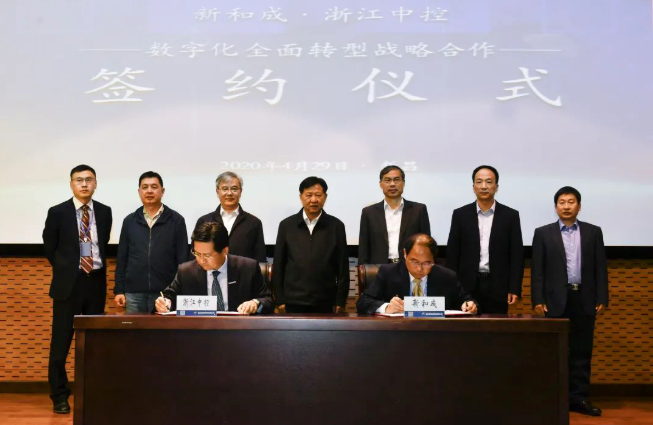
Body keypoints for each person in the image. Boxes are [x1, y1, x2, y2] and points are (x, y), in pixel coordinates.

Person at [531, 186, 608, 416]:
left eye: (571, 202)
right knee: (553, 351)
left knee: (581, 352)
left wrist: (602, 296)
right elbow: (537, 270)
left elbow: (600, 267)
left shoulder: (593, 232)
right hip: (554, 300)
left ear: (579, 206)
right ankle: (553, 398)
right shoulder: (543, 233)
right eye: (562, 202)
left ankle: (579, 398)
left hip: (584, 298)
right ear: (555, 207)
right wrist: (538, 299)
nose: (566, 206)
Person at [42, 164, 112, 414]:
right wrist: (67, 270)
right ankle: (59, 395)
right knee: (60, 344)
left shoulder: (104, 211)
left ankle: (92, 391)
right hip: (68, 286)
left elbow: (102, 243)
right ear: (71, 184)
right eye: (79, 180)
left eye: (88, 180)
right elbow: (49, 247)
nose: (84, 184)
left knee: (94, 343)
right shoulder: (57, 212)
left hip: (95, 282)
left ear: (95, 183)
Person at [446, 165, 524, 313]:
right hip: (466, 285)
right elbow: (453, 253)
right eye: (479, 182)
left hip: (498, 285)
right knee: (466, 324)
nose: (483, 186)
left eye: (489, 182)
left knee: (496, 325)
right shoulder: (460, 214)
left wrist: (514, 288)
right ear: (473, 187)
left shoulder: (510, 216)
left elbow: (516, 256)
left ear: (496, 187)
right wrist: (452, 286)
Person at [155, 221, 274, 314]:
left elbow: (267, 300)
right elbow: (168, 297)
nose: (201, 260)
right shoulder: (186, 271)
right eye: (197, 253)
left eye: (207, 255)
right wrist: (164, 303)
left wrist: (255, 303)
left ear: (224, 251)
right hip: (200, 331)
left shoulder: (247, 268)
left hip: (238, 331)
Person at [114, 171, 189, 313]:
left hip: (165, 292)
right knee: (135, 328)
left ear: (162, 191)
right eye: (145, 187)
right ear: (139, 192)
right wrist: (119, 290)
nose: (149, 191)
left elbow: (182, 259)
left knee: (164, 328)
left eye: (154, 187)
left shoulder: (176, 220)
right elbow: (122, 258)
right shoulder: (129, 221)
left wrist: (178, 290)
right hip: (134, 293)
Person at [272, 177, 349, 313]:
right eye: (309, 195)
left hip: (326, 301)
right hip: (292, 300)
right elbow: (278, 265)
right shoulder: (286, 225)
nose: (314, 200)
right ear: (301, 197)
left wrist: (340, 301)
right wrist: (279, 299)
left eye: (318, 195)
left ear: (325, 197)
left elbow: (342, 267)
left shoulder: (336, 226)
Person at [357, 234, 478, 315]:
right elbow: (363, 302)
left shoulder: (447, 277)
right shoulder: (388, 273)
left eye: (426, 263)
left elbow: (467, 301)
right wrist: (387, 307)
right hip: (398, 333)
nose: (419, 268)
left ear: (434, 259)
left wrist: (469, 305)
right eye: (414, 262)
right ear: (405, 254)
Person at [358, 165, 431, 264]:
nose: (392, 184)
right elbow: (364, 247)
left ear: (403, 183)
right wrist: (363, 269)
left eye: (396, 180)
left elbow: (426, 244)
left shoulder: (418, 210)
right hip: (379, 268)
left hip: (410, 266)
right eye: (387, 180)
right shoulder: (369, 212)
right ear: (380, 184)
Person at [195, 171, 266, 262]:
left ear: (240, 191)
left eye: (234, 189)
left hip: (242, 270)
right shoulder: (204, 221)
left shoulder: (253, 223)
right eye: (225, 189)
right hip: (211, 270)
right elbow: (195, 257)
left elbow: (260, 258)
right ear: (217, 191)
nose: (229, 193)